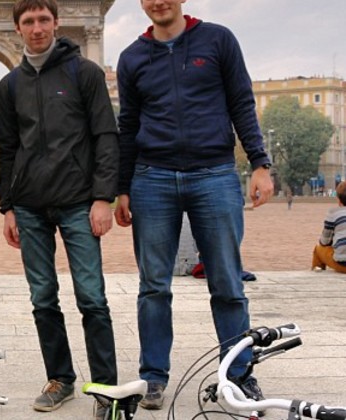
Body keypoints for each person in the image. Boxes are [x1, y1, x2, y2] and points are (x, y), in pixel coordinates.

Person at [114, 0, 274, 410]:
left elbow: (242, 101)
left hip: (215, 173)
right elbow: (127, 125)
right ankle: (152, 377)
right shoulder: (132, 57)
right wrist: (122, 186)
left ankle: (238, 376)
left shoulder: (218, 39)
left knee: (228, 283)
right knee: (153, 287)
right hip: (151, 177)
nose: (158, 2)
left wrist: (260, 162)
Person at [0, 0, 119, 415]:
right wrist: (7, 207)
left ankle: (105, 386)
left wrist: (103, 196)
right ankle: (60, 378)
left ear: (56, 22)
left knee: (92, 296)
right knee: (43, 297)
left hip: (78, 202)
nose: (36, 28)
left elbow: (105, 134)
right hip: (29, 205)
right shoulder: (9, 85)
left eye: (43, 19)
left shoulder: (84, 72)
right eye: (28, 21)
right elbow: (8, 149)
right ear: (17, 28)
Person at [312, 181, 346, 273]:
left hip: (343, 265)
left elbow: (324, 242)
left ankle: (317, 272)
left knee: (318, 249)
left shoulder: (334, 213)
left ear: (339, 200)